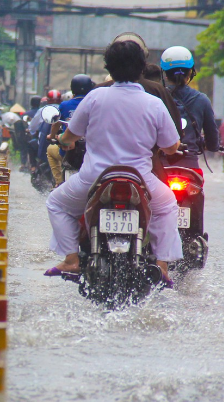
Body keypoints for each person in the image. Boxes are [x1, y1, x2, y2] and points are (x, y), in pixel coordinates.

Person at [44, 41, 183, 282]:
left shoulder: (95, 97)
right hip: (140, 180)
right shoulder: (154, 103)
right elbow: (171, 147)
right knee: (169, 205)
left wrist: (64, 141)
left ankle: (71, 259)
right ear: (141, 68)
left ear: (109, 67)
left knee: (56, 203)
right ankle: (161, 265)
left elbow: (70, 137)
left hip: (93, 179)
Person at [162, 46, 219, 173]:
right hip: (189, 167)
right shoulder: (202, 100)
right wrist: (212, 146)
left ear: (165, 74)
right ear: (190, 73)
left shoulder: (155, 98)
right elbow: (212, 137)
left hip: (161, 167)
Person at [46, 74, 94, 186]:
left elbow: (55, 124)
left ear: (73, 89)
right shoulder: (95, 103)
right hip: (91, 151)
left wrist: (52, 136)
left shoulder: (65, 105)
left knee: (50, 150)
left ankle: (58, 183)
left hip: (68, 150)